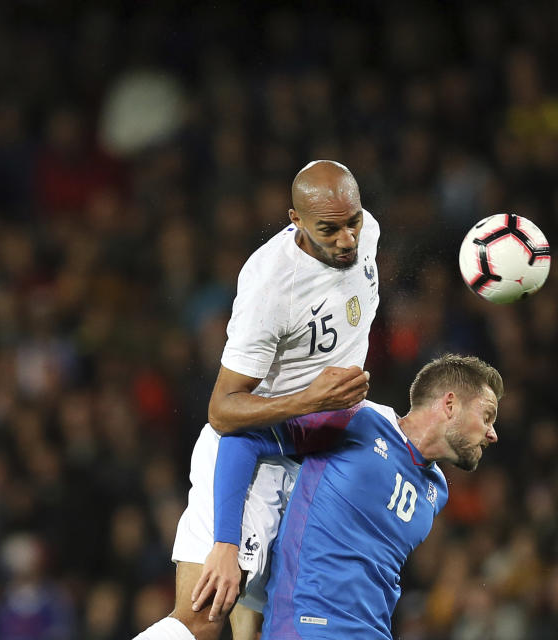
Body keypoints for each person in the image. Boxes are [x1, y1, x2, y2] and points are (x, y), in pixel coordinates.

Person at [134, 160, 379, 640]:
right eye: (329, 230)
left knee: (263, 631)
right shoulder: (270, 285)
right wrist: (310, 400)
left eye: (353, 221)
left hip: (312, 464)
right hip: (252, 456)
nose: (348, 239)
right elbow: (223, 410)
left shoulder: (367, 232)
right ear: (296, 221)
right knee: (203, 619)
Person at [258, 354, 502, 639]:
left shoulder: (437, 492)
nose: (493, 434)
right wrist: (224, 542)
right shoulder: (359, 418)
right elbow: (249, 439)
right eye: (486, 416)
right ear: (449, 404)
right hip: (310, 624)